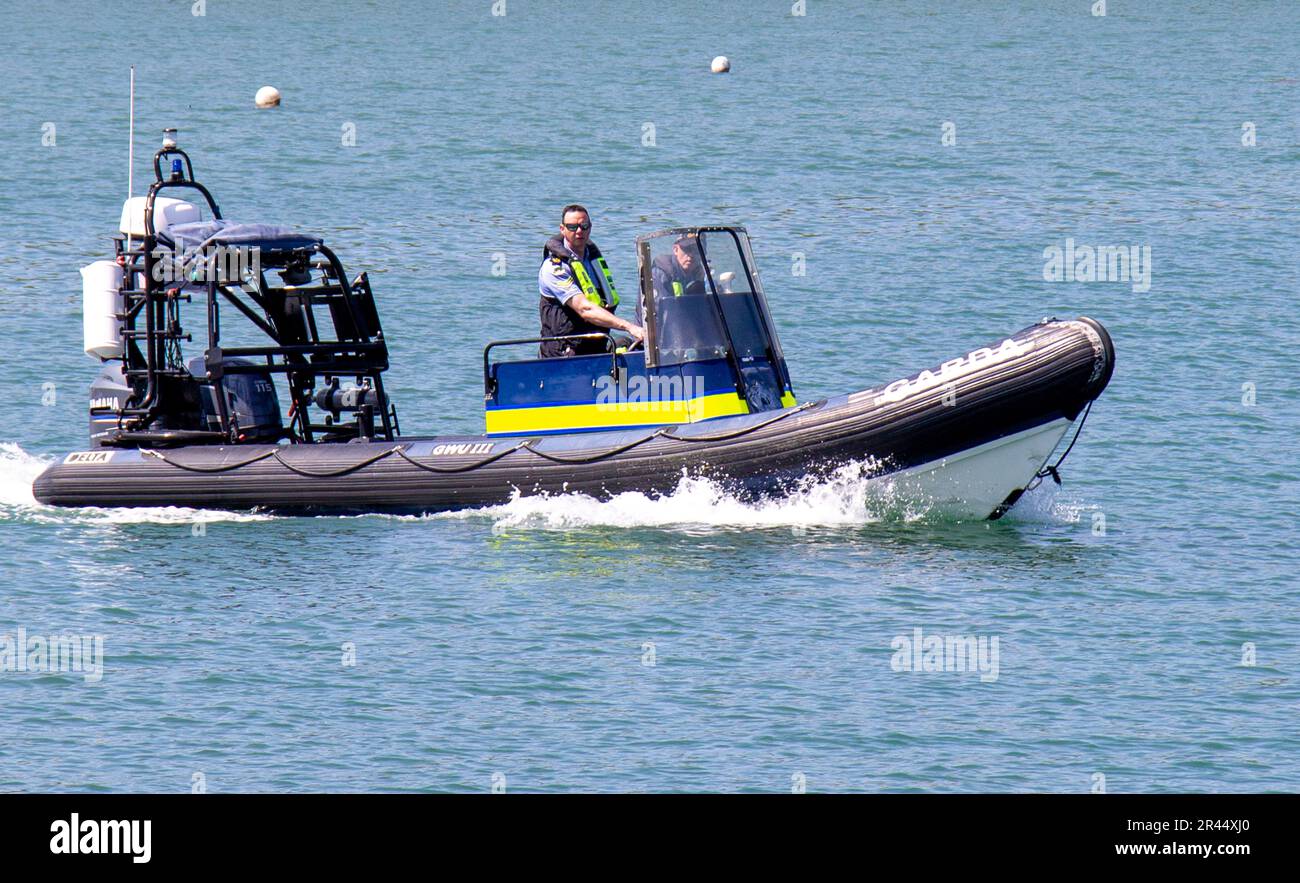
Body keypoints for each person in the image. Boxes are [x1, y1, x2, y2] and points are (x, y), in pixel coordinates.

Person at [537, 205, 643, 357]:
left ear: (590, 227)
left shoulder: (592, 261)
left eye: (584, 226)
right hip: (562, 355)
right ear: (562, 229)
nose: (579, 231)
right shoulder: (553, 268)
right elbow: (585, 309)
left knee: (627, 347)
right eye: (572, 227)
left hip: (595, 347)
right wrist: (629, 326)